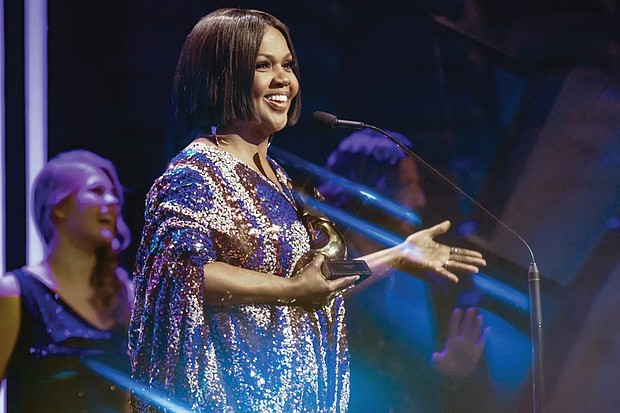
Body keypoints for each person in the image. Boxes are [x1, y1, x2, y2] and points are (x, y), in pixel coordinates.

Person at [128, 8, 486, 413]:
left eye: (288, 65)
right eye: (263, 66)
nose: (284, 79)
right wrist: (291, 291)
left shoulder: (280, 180)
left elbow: (316, 281)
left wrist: (398, 255)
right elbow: (182, 272)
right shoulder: (194, 172)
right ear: (222, 77)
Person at [320, 129, 488, 412]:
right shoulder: (323, 242)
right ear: (375, 189)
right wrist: (396, 258)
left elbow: (395, 383)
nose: (420, 200)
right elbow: (324, 280)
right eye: (408, 185)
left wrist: (447, 372)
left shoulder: (407, 275)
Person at [0, 150, 134, 412]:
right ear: (59, 208)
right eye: (96, 191)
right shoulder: (16, 294)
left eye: (114, 195)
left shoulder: (127, 299)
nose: (112, 201)